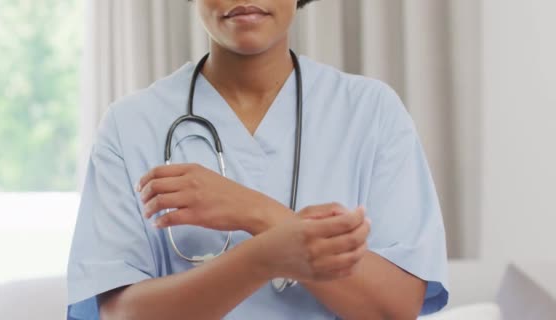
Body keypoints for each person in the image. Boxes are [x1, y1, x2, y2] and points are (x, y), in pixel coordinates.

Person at [67, 0, 449, 319]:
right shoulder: (130, 125)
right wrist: (264, 258)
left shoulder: (371, 111)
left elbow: (395, 308)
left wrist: (258, 213)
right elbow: (119, 314)